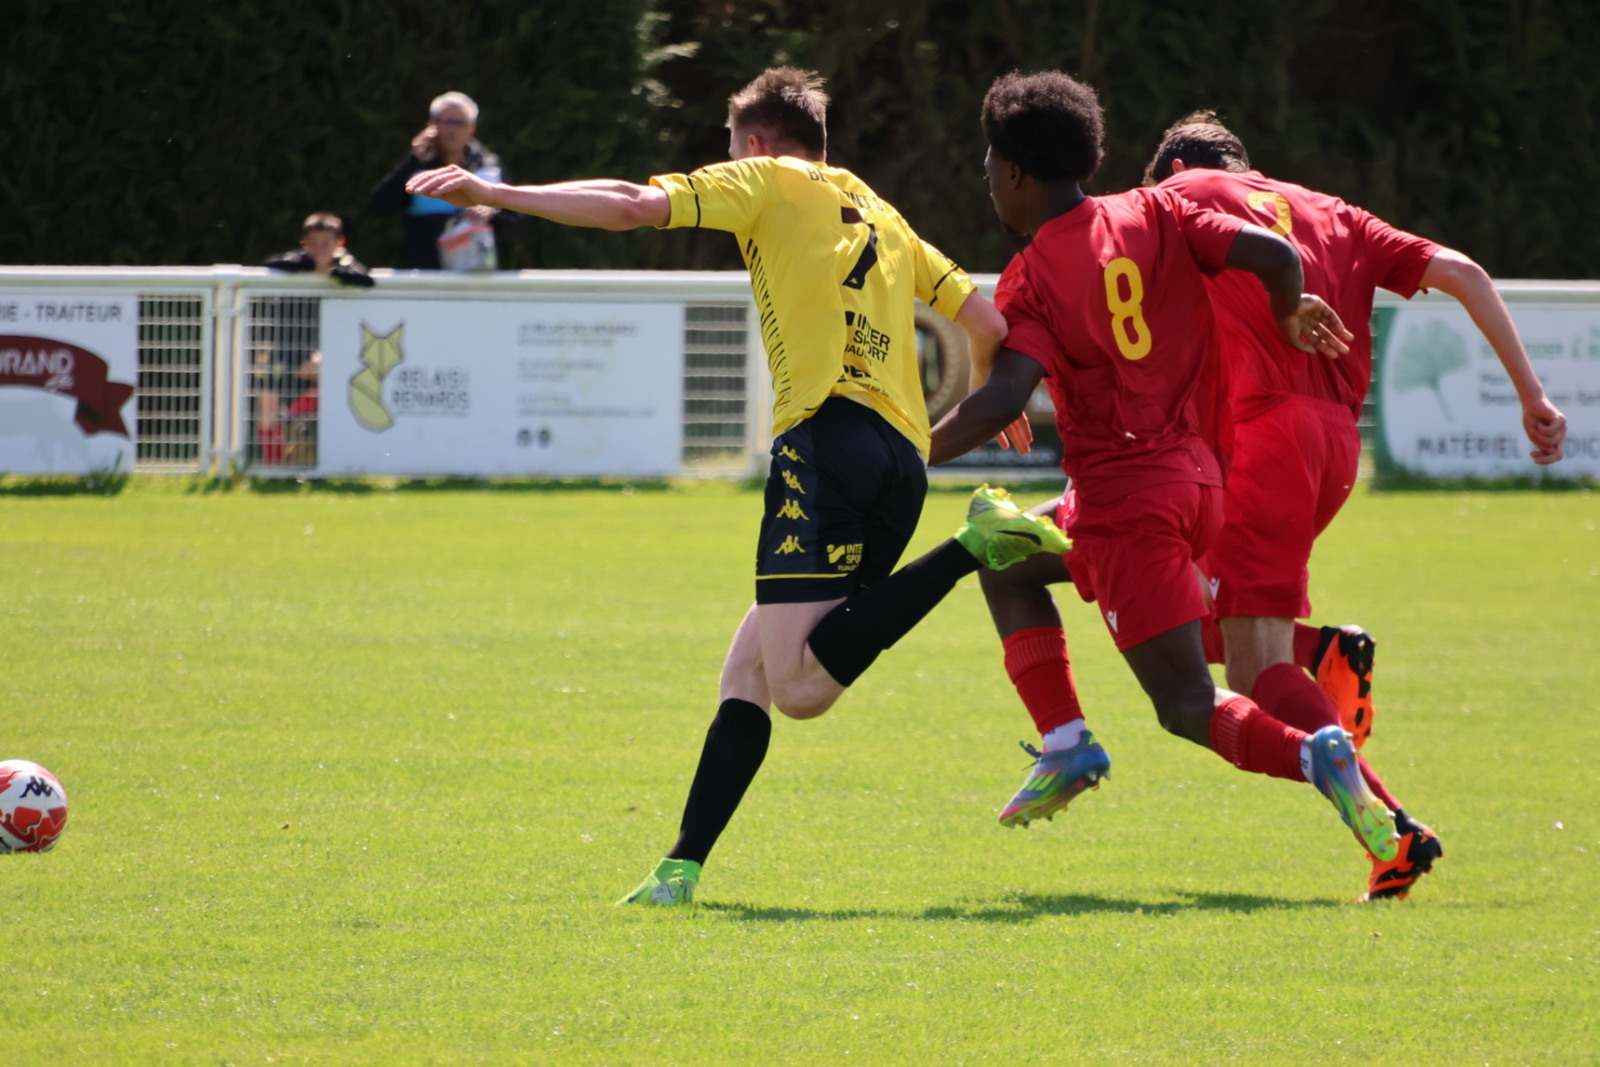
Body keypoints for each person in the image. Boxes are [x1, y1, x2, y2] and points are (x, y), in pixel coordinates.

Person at [405, 67, 1063, 906]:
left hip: (824, 440)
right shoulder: (882, 211)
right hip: (901, 460)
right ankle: (680, 869)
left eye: (728, 146)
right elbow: (986, 319)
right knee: (750, 666)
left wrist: (495, 195)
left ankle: (974, 543)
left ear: (754, 142)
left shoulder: (766, 177)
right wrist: (987, 397)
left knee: (799, 689)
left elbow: (632, 204)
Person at [925, 70, 1411, 883]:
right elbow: (1274, 253)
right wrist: (1287, 307)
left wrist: (911, 452)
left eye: (988, 168)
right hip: (1204, 485)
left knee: (1187, 704)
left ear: (1012, 172)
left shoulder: (1032, 277)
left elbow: (1003, 399)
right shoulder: (1157, 211)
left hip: (1129, 504)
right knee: (1003, 555)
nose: (988, 182)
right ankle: (1066, 743)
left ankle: (1315, 753)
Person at [1128, 110, 1568, 899]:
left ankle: (1393, 830)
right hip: (1333, 448)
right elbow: (1466, 273)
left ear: (1176, 170)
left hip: (1260, 440)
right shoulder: (1337, 212)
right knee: (1186, 613)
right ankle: (1326, 651)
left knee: (1251, 665)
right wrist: (1532, 396)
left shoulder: (1180, 196)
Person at [256, 212, 373, 465]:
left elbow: (365, 279)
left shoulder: (345, 265)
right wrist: (311, 268)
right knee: (267, 409)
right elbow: (270, 264)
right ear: (304, 243)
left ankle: (295, 421)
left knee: (334, 380)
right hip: (282, 349)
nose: (319, 250)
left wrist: (334, 273)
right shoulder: (295, 263)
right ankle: (275, 471)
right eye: (313, 243)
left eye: (326, 244)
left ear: (339, 243)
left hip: (318, 351)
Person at [370, 91, 507, 270]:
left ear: (471, 130)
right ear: (431, 126)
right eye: (446, 121)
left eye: (459, 123)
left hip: (476, 277)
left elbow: (517, 225)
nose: (452, 130)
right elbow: (379, 206)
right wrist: (412, 161)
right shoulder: (416, 167)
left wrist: (492, 213)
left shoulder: (489, 167)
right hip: (424, 275)